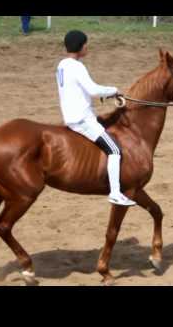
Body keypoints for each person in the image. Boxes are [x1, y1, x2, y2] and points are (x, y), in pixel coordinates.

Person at [55, 30, 136, 207]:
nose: (87, 46)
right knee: (114, 149)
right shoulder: (77, 66)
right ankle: (115, 193)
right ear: (80, 46)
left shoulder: (62, 65)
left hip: (70, 116)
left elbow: (78, 89)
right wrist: (113, 90)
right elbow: (92, 90)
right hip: (83, 120)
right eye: (85, 44)